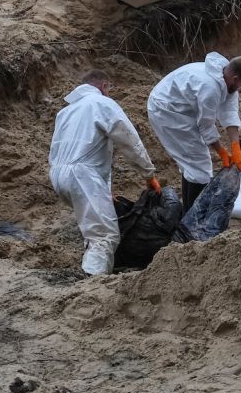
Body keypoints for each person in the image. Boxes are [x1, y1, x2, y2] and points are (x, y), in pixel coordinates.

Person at [49, 69, 159, 276]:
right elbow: (128, 140)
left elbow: (89, 152)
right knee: (104, 235)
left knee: (93, 226)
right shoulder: (102, 103)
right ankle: (93, 282)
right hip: (81, 175)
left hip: (58, 174)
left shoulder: (66, 112)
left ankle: (91, 267)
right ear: (104, 86)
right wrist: (149, 174)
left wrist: (104, 190)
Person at [147, 53, 241, 211]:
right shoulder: (210, 87)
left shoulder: (227, 78)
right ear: (236, 78)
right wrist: (223, 153)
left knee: (193, 164)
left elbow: (229, 113)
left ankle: (187, 212)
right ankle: (193, 219)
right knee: (200, 165)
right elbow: (205, 126)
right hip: (166, 110)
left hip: (182, 107)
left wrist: (236, 147)